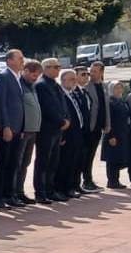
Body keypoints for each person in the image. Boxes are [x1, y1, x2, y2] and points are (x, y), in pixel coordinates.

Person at [0, 49, 26, 209]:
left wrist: (22, 126)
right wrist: (5, 126)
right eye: (19, 58)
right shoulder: (3, 77)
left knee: (13, 163)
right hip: (8, 128)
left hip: (18, 127)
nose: (22, 60)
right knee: (3, 162)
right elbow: (2, 103)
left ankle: (9, 194)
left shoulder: (17, 77)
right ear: (9, 60)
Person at [32, 58, 69, 204]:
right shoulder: (41, 85)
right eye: (55, 67)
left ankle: (50, 189)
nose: (58, 69)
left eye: (59, 66)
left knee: (53, 161)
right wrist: (61, 121)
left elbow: (63, 104)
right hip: (46, 129)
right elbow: (47, 108)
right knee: (43, 161)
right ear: (46, 68)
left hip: (57, 129)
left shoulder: (56, 85)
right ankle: (40, 192)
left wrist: (66, 119)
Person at [56, 70, 89, 199]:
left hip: (77, 133)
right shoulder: (61, 95)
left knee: (75, 162)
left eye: (75, 79)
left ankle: (72, 186)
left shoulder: (73, 94)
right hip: (67, 134)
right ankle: (62, 188)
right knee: (65, 163)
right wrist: (62, 135)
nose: (74, 82)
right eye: (71, 79)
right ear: (63, 80)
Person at [14, 60, 43, 204]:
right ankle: (13, 192)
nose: (35, 77)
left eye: (37, 74)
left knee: (25, 163)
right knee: (17, 163)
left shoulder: (33, 87)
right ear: (25, 71)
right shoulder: (19, 85)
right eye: (32, 73)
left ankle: (20, 191)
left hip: (33, 130)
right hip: (23, 130)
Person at [74, 67, 103, 193]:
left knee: (89, 156)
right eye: (83, 74)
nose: (86, 76)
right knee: (81, 157)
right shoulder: (74, 92)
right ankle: (79, 182)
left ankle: (87, 180)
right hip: (81, 132)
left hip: (91, 129)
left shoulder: (84, 92)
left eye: (87, 74)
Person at [82, 62, 109, 190]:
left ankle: (89, 179)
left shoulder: (104, 86)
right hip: (89, 127)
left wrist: (107, 124)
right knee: (85, 155)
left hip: (99, 126)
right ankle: (86, 180)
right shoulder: (86, 87)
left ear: (101, 72)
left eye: (95, 71)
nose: (92, 74)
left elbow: (106, 106)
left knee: (92, 154)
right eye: (91, 71)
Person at [102, 80, 131, 188]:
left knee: (118, 157)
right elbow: (108, 120)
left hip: (122, 133)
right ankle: (112, 181)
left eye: (120, 88)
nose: (119, 90)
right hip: (113, 134)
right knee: (112, 159)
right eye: (116, 88)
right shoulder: (110, 102)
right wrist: (111, 135)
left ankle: (116, 180)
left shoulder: (121, 101)